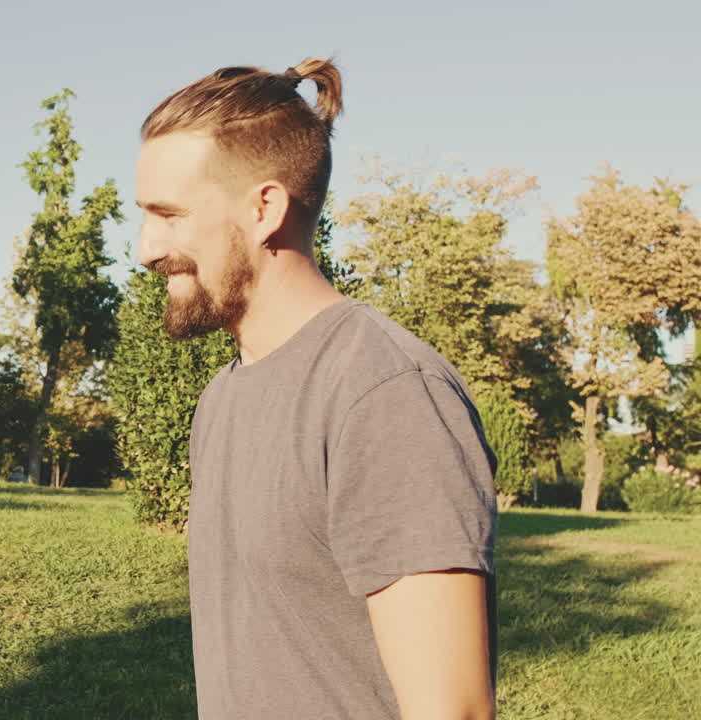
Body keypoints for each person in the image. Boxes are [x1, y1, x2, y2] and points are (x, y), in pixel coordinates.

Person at [135, 57, 498, 720]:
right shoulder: (223, 397)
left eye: (169, 214)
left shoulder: (385, 394)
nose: (146, 247)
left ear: (264, 208)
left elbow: (453, 711)